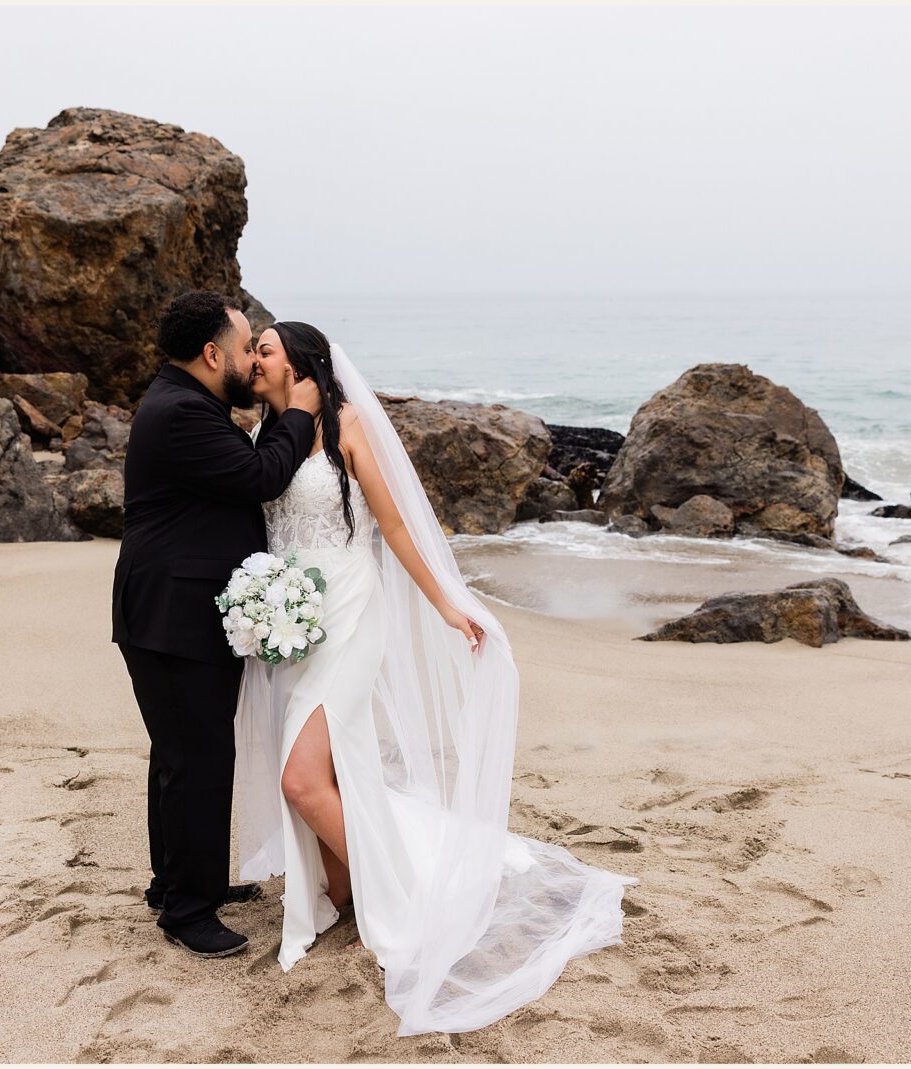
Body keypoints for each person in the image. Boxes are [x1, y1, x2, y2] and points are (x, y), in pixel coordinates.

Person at [233, 321, 637, 1035]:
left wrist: (450, 602)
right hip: (298, 623)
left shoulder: (347, 421)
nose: (252, 359)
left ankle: (403, 899)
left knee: (300, 779)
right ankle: (353, 890)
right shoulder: (269, 431)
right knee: (339, 766)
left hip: (353, 615)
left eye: (264, 349)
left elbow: (393, 527)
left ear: (300, 362)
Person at [111, 291, 322, 958]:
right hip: (173, 613)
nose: (247, 360)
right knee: (198, 756)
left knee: (181, 755)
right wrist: (303, 417)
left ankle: (177, 882)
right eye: (240, 348)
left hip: (171, 608)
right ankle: (188, 910)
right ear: (211, 354)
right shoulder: (182, 413)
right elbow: (262, 475)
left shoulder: (184, 402)